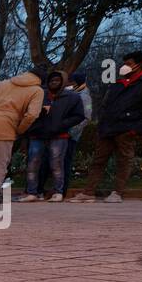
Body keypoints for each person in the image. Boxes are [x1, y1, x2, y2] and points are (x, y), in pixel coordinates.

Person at [71, 50, 142, 203]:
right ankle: (88, 192)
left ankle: (117, 193)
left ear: (139, 64)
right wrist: (101, 125)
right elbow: (107, 105)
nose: (124, 66)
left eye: (128, 64)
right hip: (108, 128)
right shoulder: (119, 82)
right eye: (124, 63)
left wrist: (137, 128)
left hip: (127, 128)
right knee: (98, 161)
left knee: (123, 161)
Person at [18, 69, 84, 202]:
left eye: (57, 80)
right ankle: (32, 192)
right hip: (37, 134)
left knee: (57, 164)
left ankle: (58, 191)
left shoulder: (73, 97)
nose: (54, 82)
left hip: (59, 134)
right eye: (52, 80)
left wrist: (61, 124)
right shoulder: (39, 94)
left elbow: (79, 116)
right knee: (33, 164)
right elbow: (27, 112)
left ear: (63, 82)